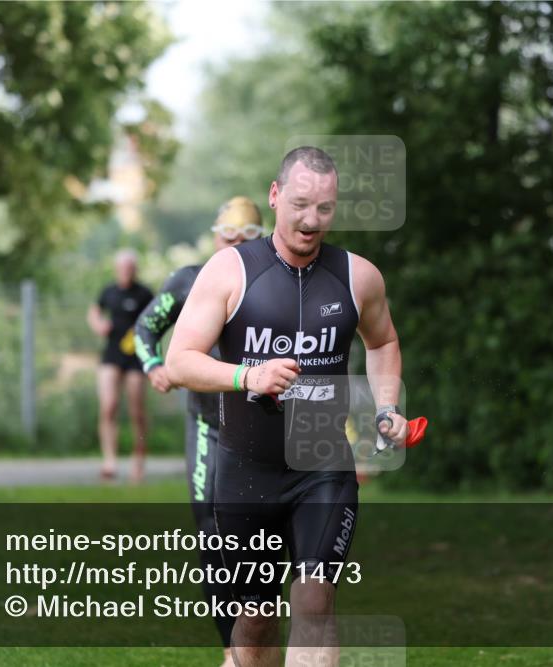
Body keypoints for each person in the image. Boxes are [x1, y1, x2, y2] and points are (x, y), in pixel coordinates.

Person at [165, 147, 408, 667]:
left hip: (323, 467)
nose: (311, 220)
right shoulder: (229, 270)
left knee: (314, 597)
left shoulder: (357, 276)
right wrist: (246, 375)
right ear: (275, 196)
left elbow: (383, 341)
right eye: (300, 204)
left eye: (324, 208)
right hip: (245, 472)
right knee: (255, 621)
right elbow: (180, 360)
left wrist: (386, 408)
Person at [133, 196, 263, 667]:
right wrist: (153, 366)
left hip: (261, 429)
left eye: (247, 237)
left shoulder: (274, 283)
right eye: (227, 236)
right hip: (209, 425)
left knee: (261, 533)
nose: (235, 245)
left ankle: (259, 637)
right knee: (211, 532)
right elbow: (145, 327)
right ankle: (231, 649)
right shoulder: (189, 281)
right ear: (214, 237)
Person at [86, 248, 154, 481]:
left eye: (130, 268)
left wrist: (144, 334)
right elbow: (93, 313)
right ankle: (109, 462)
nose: (126, 271)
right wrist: (99, 324)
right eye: (122, 268)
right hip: (111, 355)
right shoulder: (108, 291)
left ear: (135, 269)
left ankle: (138, 460)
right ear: (117, 269)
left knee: (137, 411)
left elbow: (157, 318)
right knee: (108, 406)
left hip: (136, 357)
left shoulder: (144, 293)